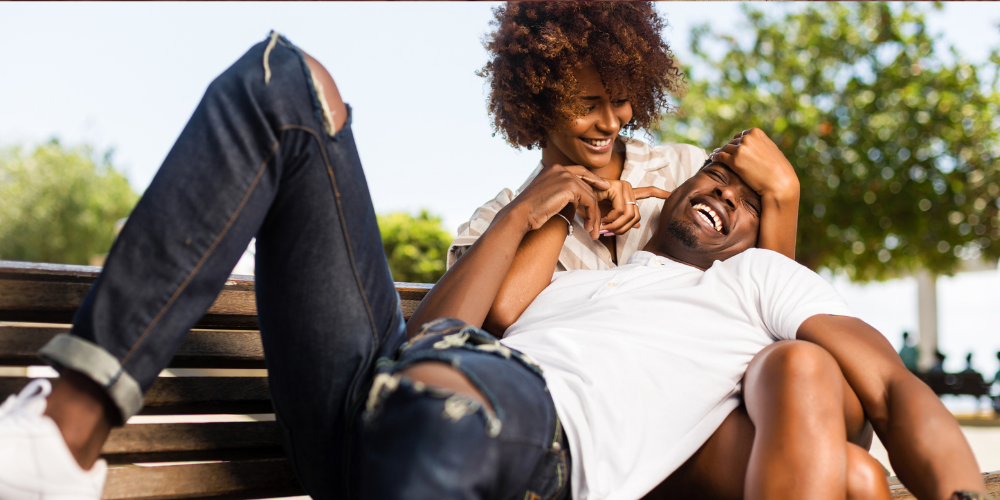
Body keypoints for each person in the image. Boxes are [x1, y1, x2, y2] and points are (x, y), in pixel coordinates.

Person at [0, 34, 985, 500]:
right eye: (710, 167)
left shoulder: (753, 286)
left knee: (450, 407)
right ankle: (63, 428)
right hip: (385, 396)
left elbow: (890, 393)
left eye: (738, 188)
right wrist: (539, 204)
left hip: (487, 435)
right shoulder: (553, 260)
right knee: (284, 80)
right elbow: (436, 336)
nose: (707, 178)